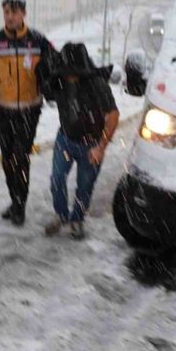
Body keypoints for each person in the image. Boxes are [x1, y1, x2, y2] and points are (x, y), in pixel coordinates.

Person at [0, 0, 56, 226]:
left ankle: (20, 205)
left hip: (30, 111)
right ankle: (14, 200)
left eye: (14, 12)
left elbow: (57, 64)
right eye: (6, 13)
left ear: (23, 14)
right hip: (4, 111)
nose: (9, 17)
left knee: (21, 157)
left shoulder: (38, 41)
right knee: (7, 159)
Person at [43, 43, 120, 240]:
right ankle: (61, 216)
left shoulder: (97, 84)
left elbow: (113, 115)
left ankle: (77, 219)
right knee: (57, 180)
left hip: (92, 144)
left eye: (72, 72)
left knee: (85, 186)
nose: (68, 76)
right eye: (65, 72)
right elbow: (43, 85)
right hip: (66, 139)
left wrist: (101, 147)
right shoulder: (59, 81)